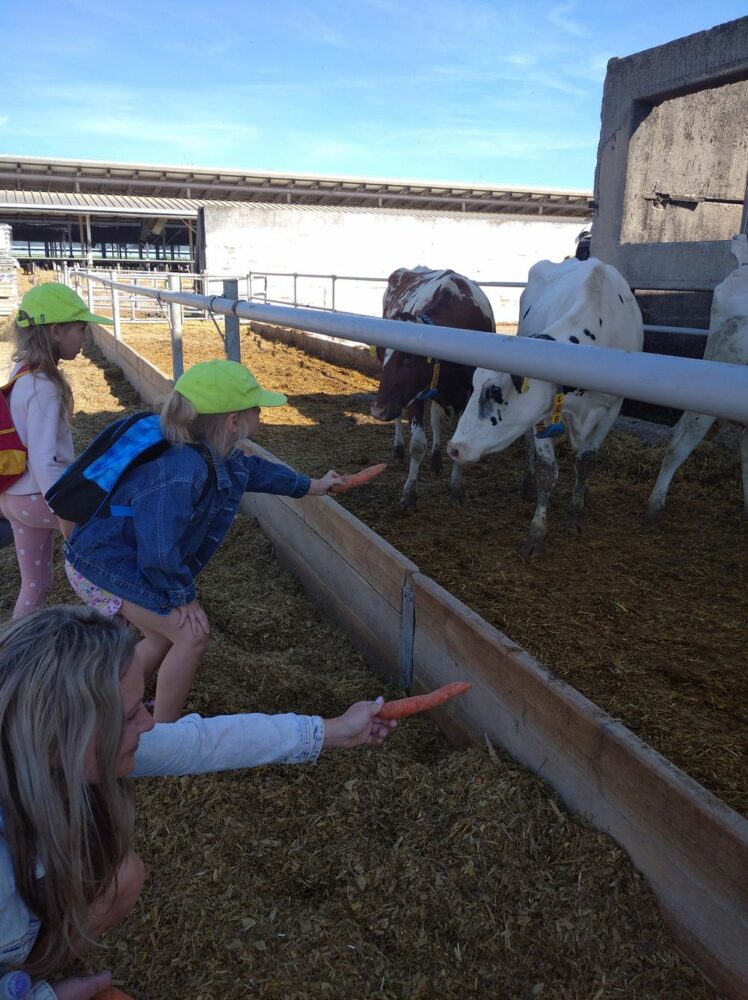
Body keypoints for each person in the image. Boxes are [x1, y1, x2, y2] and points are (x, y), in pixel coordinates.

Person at [0, 605, 395, 1000]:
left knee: (123, 876)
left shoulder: (46, 749)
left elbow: (203, 743)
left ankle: (30, 973)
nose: (149, 723)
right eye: (131, 715)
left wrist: (334, 731)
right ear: (59, 742)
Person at [64, 359, 346, 723]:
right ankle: (164, 734)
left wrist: (313, 485)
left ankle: (116, 707)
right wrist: (184, 598)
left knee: (163, 636)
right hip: (104, 564)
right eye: (257, 409)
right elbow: (160, 547)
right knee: (190, 635)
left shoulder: (217, 455)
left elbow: (255, 472)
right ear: (233, 422)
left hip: (118, 557)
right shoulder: (181, 472)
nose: (261, 414)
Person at [0, 283, 113, 618]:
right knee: (105, 570)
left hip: (14, 497)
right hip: (43, 497)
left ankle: (12, 658)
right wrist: (68, 513)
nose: (84, 337)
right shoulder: (45, 386)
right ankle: (113, 633)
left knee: (34, 586)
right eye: (81, 329)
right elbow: (45, 459)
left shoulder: (22, 372)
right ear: (56, 330)